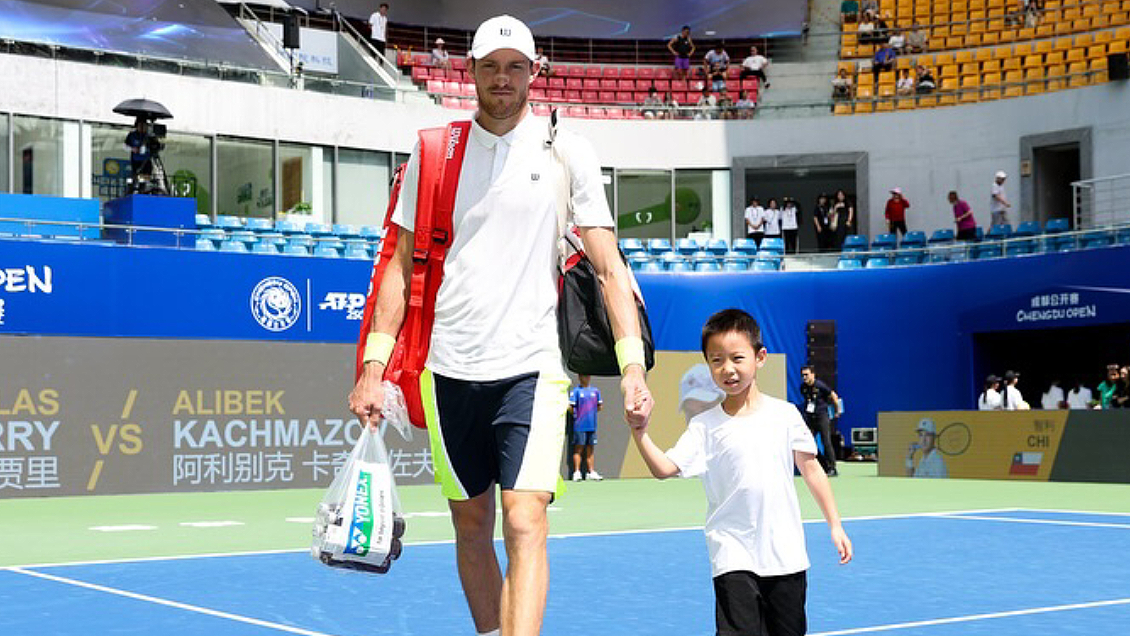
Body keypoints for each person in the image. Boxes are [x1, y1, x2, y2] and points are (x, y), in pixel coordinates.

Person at [346, 15, 654, 636]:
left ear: (534, 72)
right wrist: (372, 368)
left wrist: (632, 367)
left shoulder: (567, 149)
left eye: (516, 66)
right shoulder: (435, 151)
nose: (504, 78)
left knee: (524, 520)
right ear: (472, 72)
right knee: (471, 524)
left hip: (534, 367)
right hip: (448, 368)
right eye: (491, 66)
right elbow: (399, 266)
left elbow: (610, 266)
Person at [629, 309, 853, 636]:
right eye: (716, 360)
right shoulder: (704, 426)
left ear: (760, 357)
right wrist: (640, 432)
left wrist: (835, 525)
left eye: (737, 357)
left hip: (785, 555)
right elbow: (664, 468)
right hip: (731, 553)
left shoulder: (786, 415)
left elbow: (812, 470)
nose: (727, 369)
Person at [800, 365, 841, 476]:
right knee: (808, 443)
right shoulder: (803, 387)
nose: (804, 377)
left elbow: (833, 395)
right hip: (810, 418)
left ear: (813, 375)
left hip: (822, 416)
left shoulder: (820, 386)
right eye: (802, 375)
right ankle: (823, 465)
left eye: (806, 375)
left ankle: (832, 468)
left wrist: (837, 410)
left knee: (826, 442)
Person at [568, 375, 603, 481]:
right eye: (584, 376)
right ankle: (577, 472)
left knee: (590, 449)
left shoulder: (595, 391)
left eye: (588, 376)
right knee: (578, 448)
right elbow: (570, 407)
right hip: (579, 425)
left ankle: (591, 472)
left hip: (592, 425)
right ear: (579, 377)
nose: (587, 378)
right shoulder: (576, 392)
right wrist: (578, 416)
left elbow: (599, 406)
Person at [124, 118, 153, 192]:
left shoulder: (149, 136)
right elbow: (125, 146)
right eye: (141, 125)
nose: (143, 128)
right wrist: (133, 149)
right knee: (136, 177)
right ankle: (135, 188)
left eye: (145, 126)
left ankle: (144, 188)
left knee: (145, 177)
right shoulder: (132, 135)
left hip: (146, 160)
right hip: (136, 161)